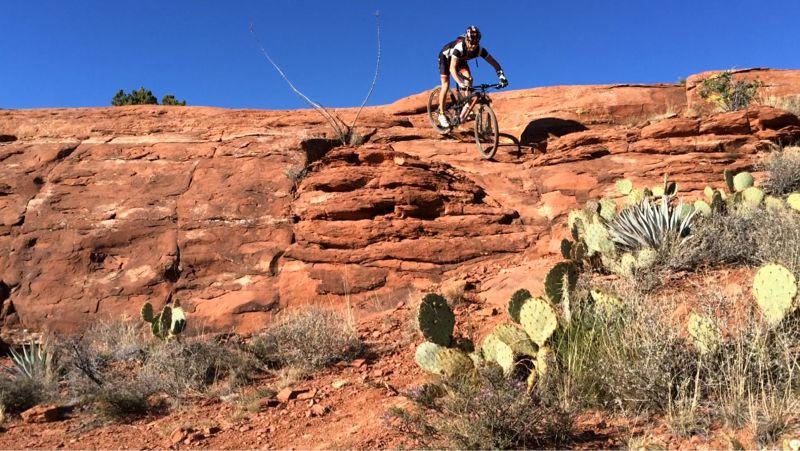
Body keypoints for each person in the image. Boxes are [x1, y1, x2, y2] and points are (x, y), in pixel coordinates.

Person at [437, 26, 508, 128]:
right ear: (466, 39)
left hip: (460, 60)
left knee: (469, 79)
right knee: (446, 84)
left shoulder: (479, 50)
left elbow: (494, 63)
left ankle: (467, 104)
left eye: (475, 43)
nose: (473, 46)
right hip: (446, 57)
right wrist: (460, 83)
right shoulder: (459, 48)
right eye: (471, 43)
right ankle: (441, 114)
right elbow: (452, 68)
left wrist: (501, 76)